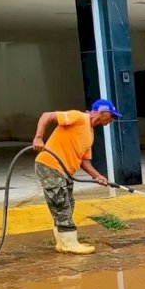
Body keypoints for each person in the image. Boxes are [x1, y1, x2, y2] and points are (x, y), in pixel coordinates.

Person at [32, 99, 121, 255]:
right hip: (50, 164)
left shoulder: (90, 134)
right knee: (61, 204)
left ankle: (63, 242)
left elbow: (84, 161)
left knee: (68, 204)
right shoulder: (78, 117)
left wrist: (98, 176)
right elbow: (47, 116)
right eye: (112, 116)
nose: (112, 120)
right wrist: (38, 138)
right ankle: (70, 243)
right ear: (102, 112)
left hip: (65, 171)